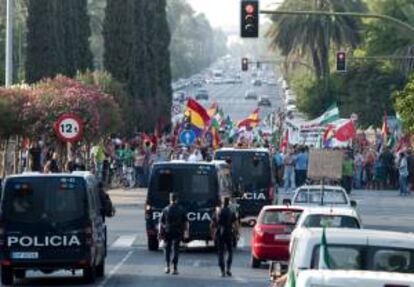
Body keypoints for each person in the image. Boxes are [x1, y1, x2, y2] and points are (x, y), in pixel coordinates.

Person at [159, 193, 189, 275]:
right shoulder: (181, 209)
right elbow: (186, 221)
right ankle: (174, 268)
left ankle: (167, 266)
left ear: (170, 199)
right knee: (176, 249)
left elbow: (161, 223)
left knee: (167, 249)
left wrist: (160, 233)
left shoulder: (165, 209)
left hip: (168, 231)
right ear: (177, 199)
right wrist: (186, 232)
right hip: (178, 231)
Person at [211, 197, 238, 277]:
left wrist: (213, 234)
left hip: (220, 233)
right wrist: (236, 233)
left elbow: (212, 225)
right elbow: (235, 224)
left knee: (220, 252)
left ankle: (222, 271)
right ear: (228, 203)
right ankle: (228, 269)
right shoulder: (231, 212)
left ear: (222, 203)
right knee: (230, 251)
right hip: (229, 232)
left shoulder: (217, 212)